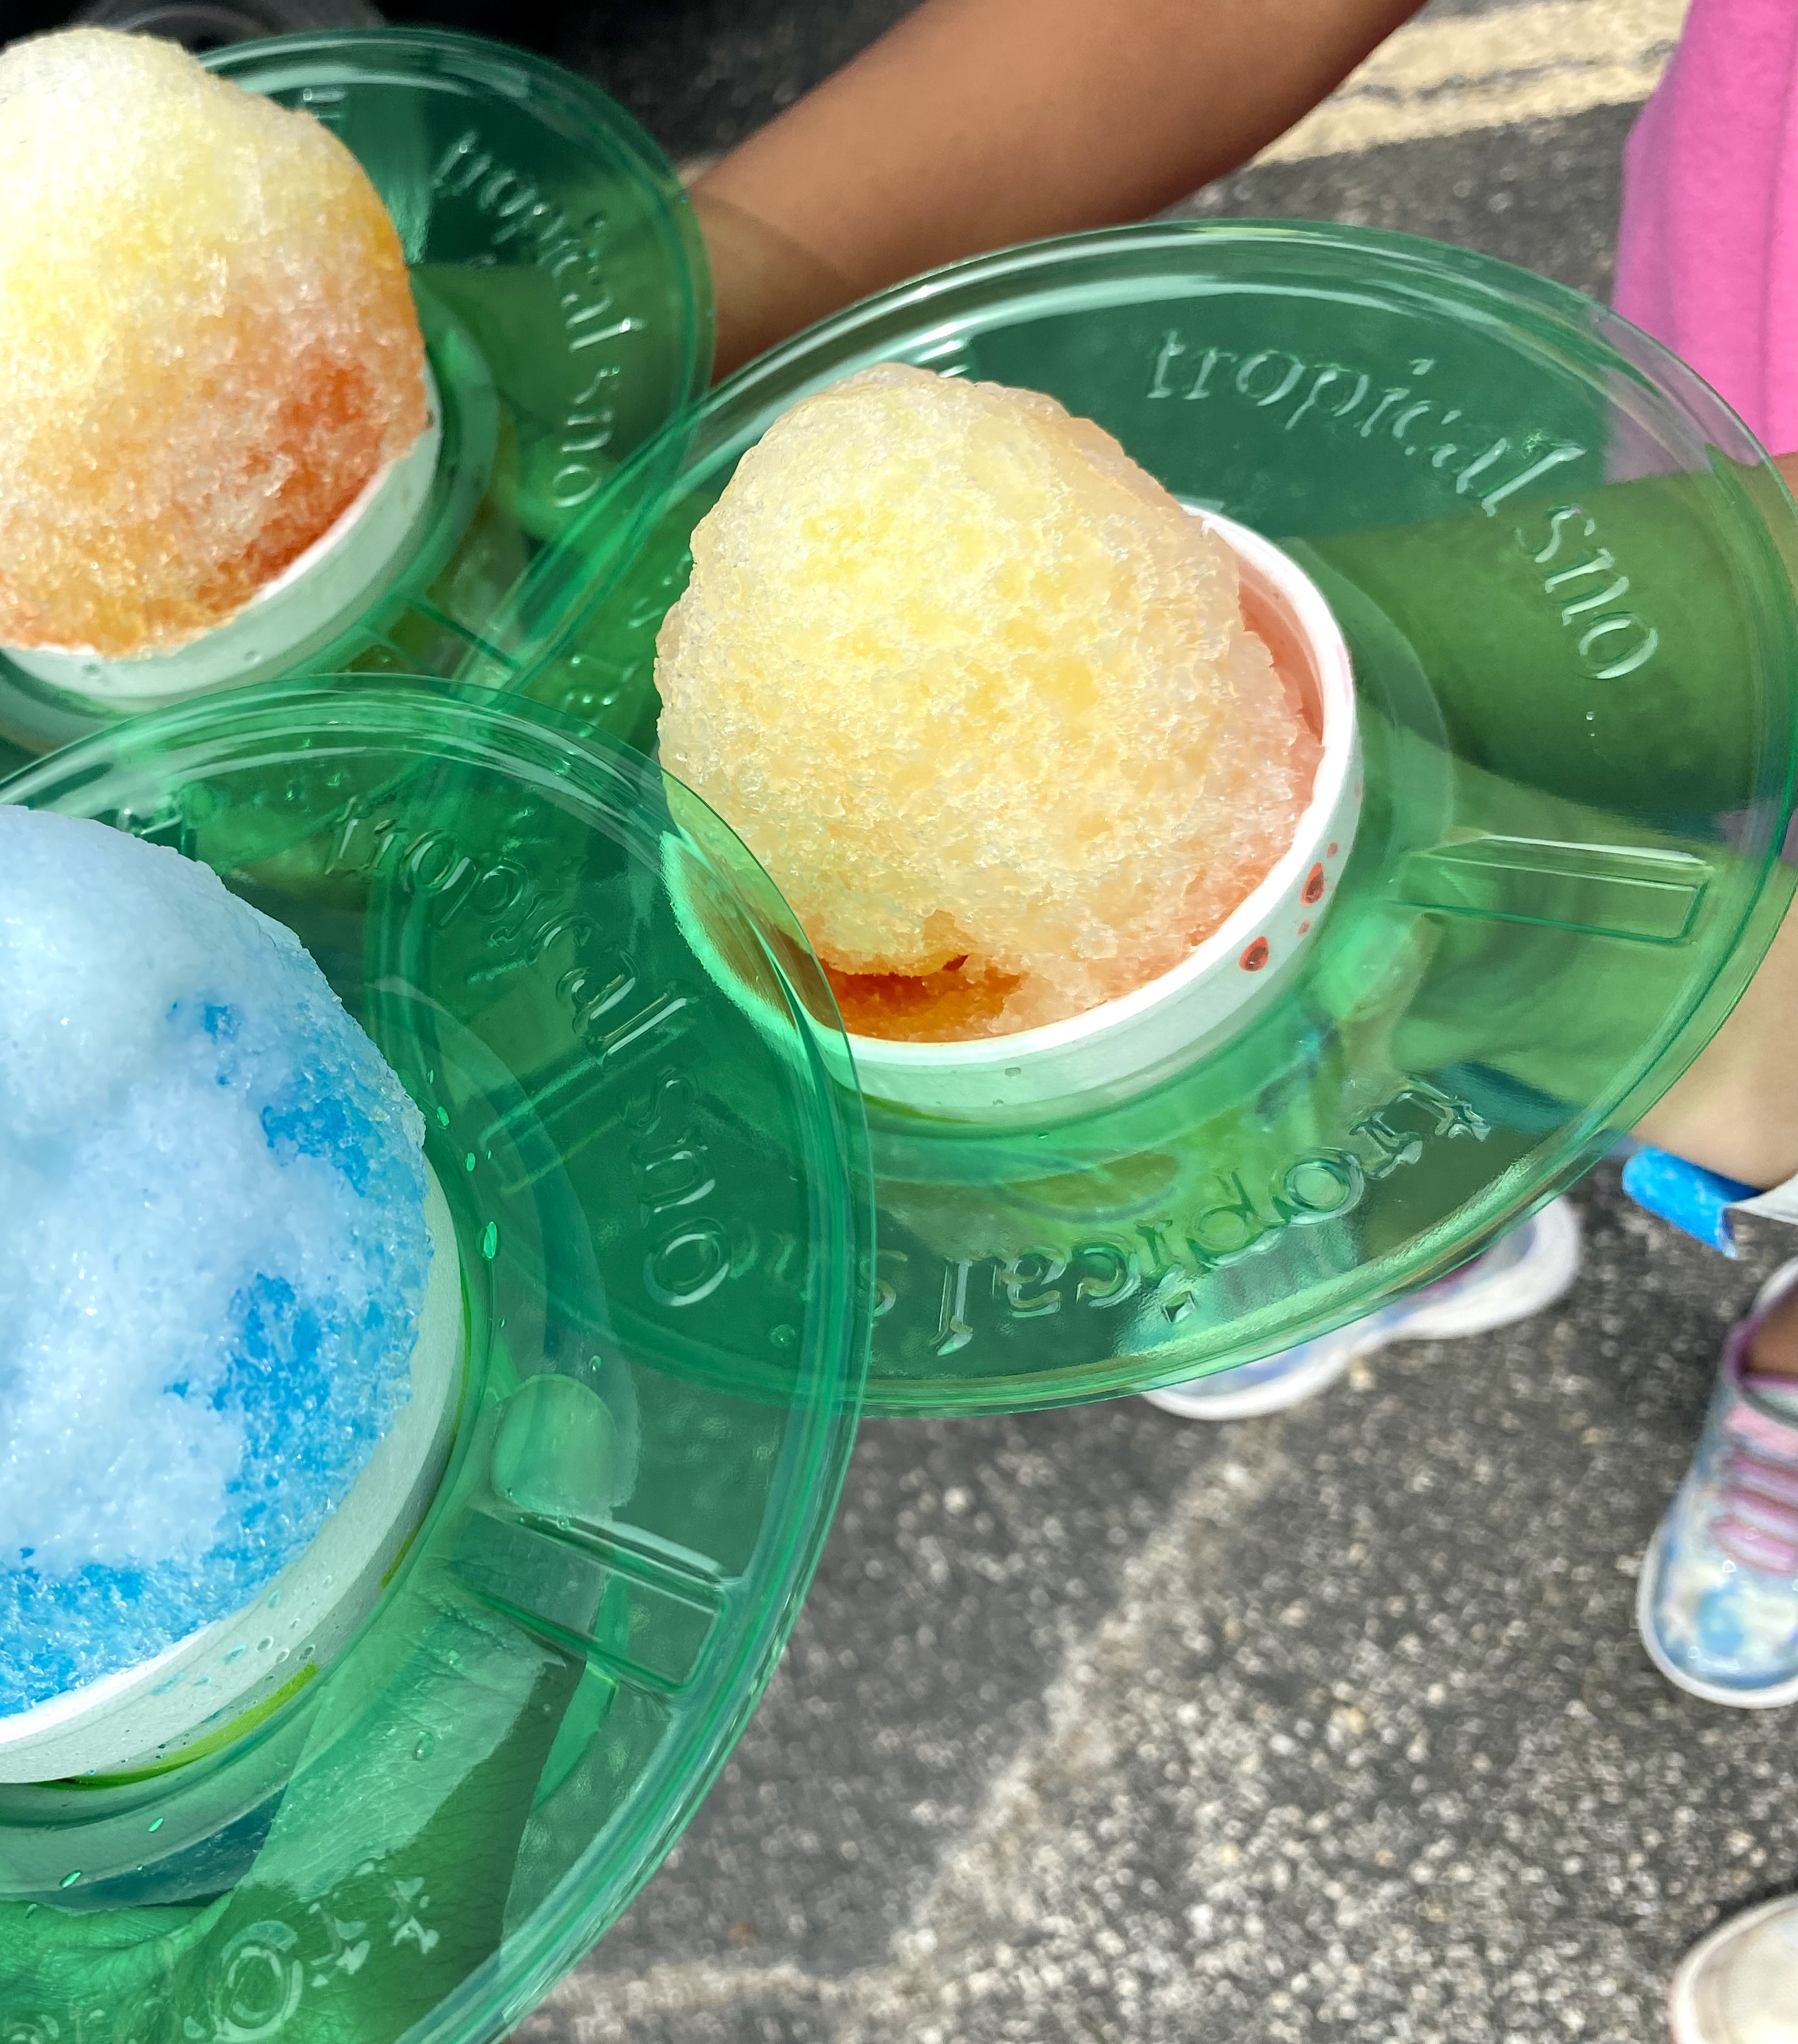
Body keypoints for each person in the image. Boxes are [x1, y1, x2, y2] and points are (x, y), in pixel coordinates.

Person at [683, 0, 1798, 2031]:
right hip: (1766, 291)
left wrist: (1595, 960)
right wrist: (678, 296)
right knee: (1652, 791)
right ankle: (1414, 1119)